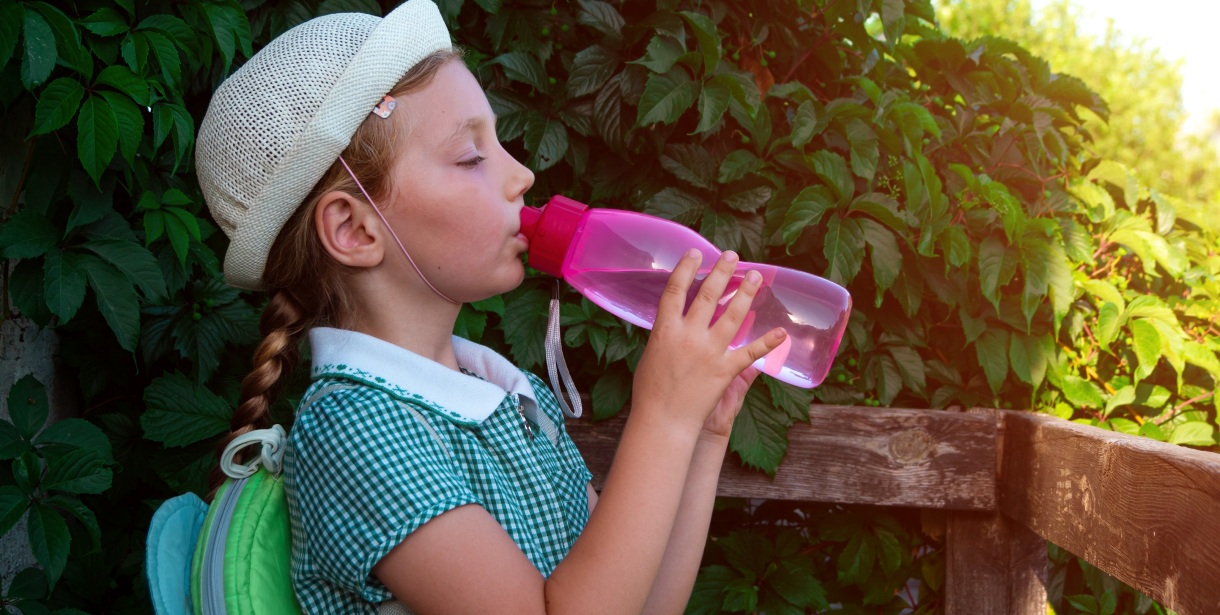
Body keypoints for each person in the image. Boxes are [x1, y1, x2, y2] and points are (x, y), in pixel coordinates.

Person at [194, 1, 788, 613]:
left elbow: (643, 603)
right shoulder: (355, 431)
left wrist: (700, 434)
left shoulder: (508, 394)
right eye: (471, 157)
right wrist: (661, 417)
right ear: (355, 230)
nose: (523, 175)